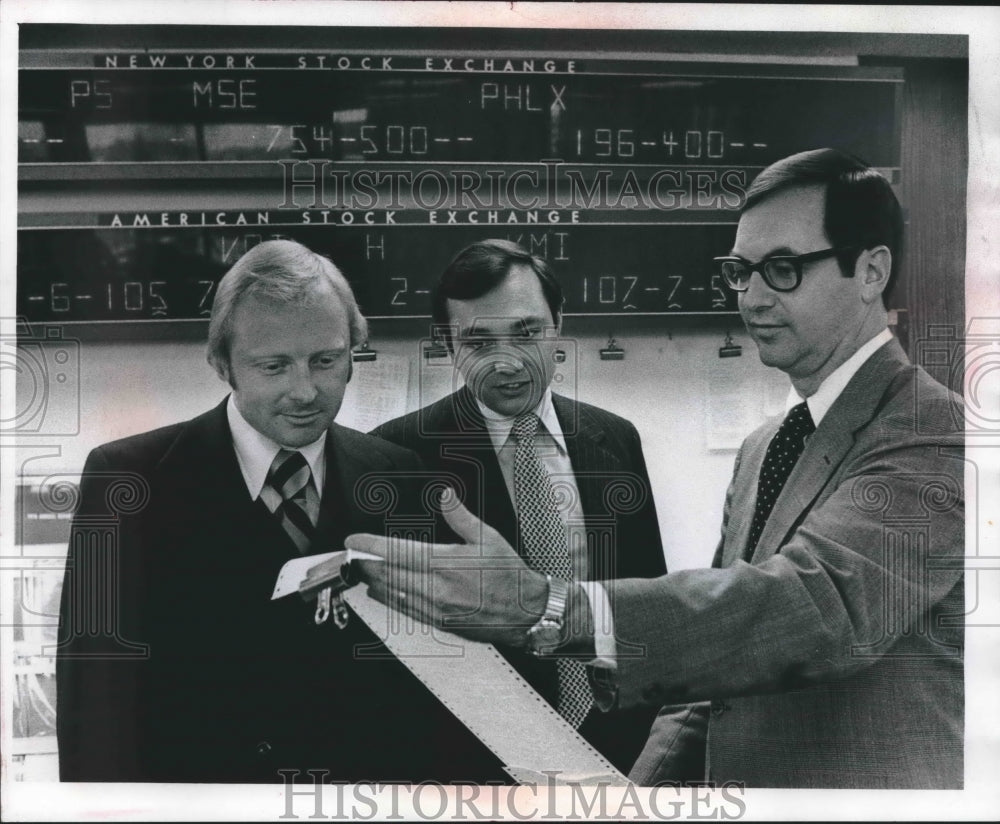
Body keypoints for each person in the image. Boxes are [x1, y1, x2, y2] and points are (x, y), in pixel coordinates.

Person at [350, 150, 965, 789]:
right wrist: (633, 799)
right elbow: (708, 678)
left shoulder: (940, 431)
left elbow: (820, 604)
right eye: (740, 271)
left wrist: (546, 605)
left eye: (782, 269)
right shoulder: (766, 446)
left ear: (870, 271)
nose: (751, 297)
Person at [56, 239, 505, 782]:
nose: (306, 391)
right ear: (223, 364)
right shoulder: (129, 480)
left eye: (326, 360)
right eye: (274, 366)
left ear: (353, 352)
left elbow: (434, 695)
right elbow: (94, 704)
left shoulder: (401, 475)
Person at [371, 239, 668, 773]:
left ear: (559, 325)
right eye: (479, 342)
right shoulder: (398, 456)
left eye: (527, 332)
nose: (507, 362)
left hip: (616, 751)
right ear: (447, 344)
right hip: (469, 764)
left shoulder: (616, 438)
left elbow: (646, 602)